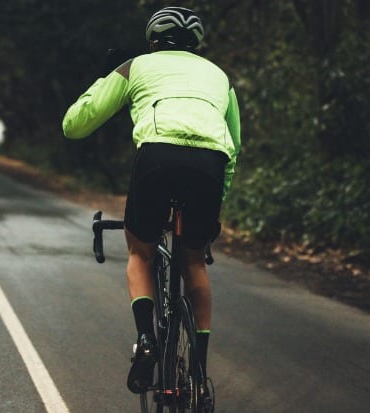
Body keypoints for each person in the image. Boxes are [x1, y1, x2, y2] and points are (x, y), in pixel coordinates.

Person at [61, 5, 241, 405]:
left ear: (152, 39)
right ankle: (198, 369)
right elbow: (234, 144)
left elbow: (74, 125)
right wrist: (217, 204)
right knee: (194, 261)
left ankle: (146, 339)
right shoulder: (219, 77)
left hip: (157, 158)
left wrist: (106, 77)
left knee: (140, 252)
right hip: (210, 165)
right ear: (196, 43)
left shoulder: (136, 66)